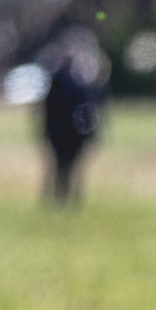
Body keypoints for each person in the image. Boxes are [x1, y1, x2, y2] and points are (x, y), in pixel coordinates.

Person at [43, 55, 103, 204]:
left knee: (61, 166)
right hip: (72, 133)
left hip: (62, 133)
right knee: (69, 166)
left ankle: (62, 197)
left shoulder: (58, 82)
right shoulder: (81, 85)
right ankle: (67, 196)